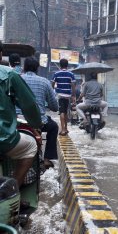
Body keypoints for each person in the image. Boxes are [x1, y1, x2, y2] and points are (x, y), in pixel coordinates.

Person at [0, 41, 42, 187]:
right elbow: (29, 105)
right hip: (3, 137)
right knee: (31, 145)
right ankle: (12, 191)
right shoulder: (10, 75)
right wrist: (36, 124)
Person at [22, 57, 59, 169]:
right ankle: (47, 159)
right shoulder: (45, 82)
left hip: (17, 121)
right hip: (38, 122)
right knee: (54, 127)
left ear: (24, 68)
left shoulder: (17, 79)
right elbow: (54, 106)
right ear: (37, 69)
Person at [51, 58, 76, 136]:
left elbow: (52, 84)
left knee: (62, 112)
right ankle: (66, 128)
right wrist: (73, 95)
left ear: (60, 65)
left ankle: (63, 130)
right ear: (67, 65)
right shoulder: (71, 74)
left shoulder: (56, 74)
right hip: (68, 95)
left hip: (60, 95)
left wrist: (52, 91)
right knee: (65, 112)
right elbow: (73, 86)